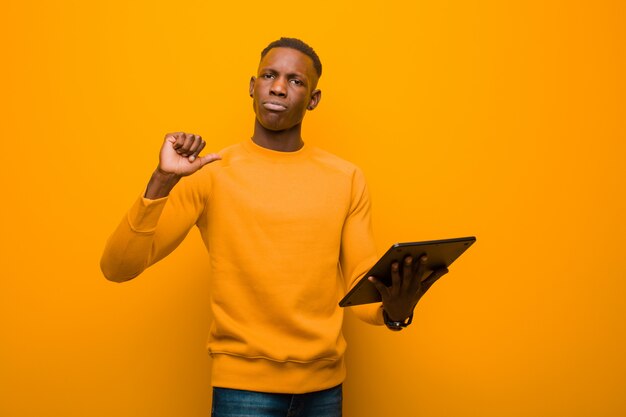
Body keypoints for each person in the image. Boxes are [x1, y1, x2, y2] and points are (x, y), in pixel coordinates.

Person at [100, 37, 448, 417]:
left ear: (313, 99)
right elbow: (118, 267)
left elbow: (360, 285)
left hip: (325, 389)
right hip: (242, 391)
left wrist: (394, 309)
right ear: (253, 86)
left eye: (296, 81)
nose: (279, 87)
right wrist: (162, 181)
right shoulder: (211, 173)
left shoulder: (346, 178)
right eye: (270, 75)